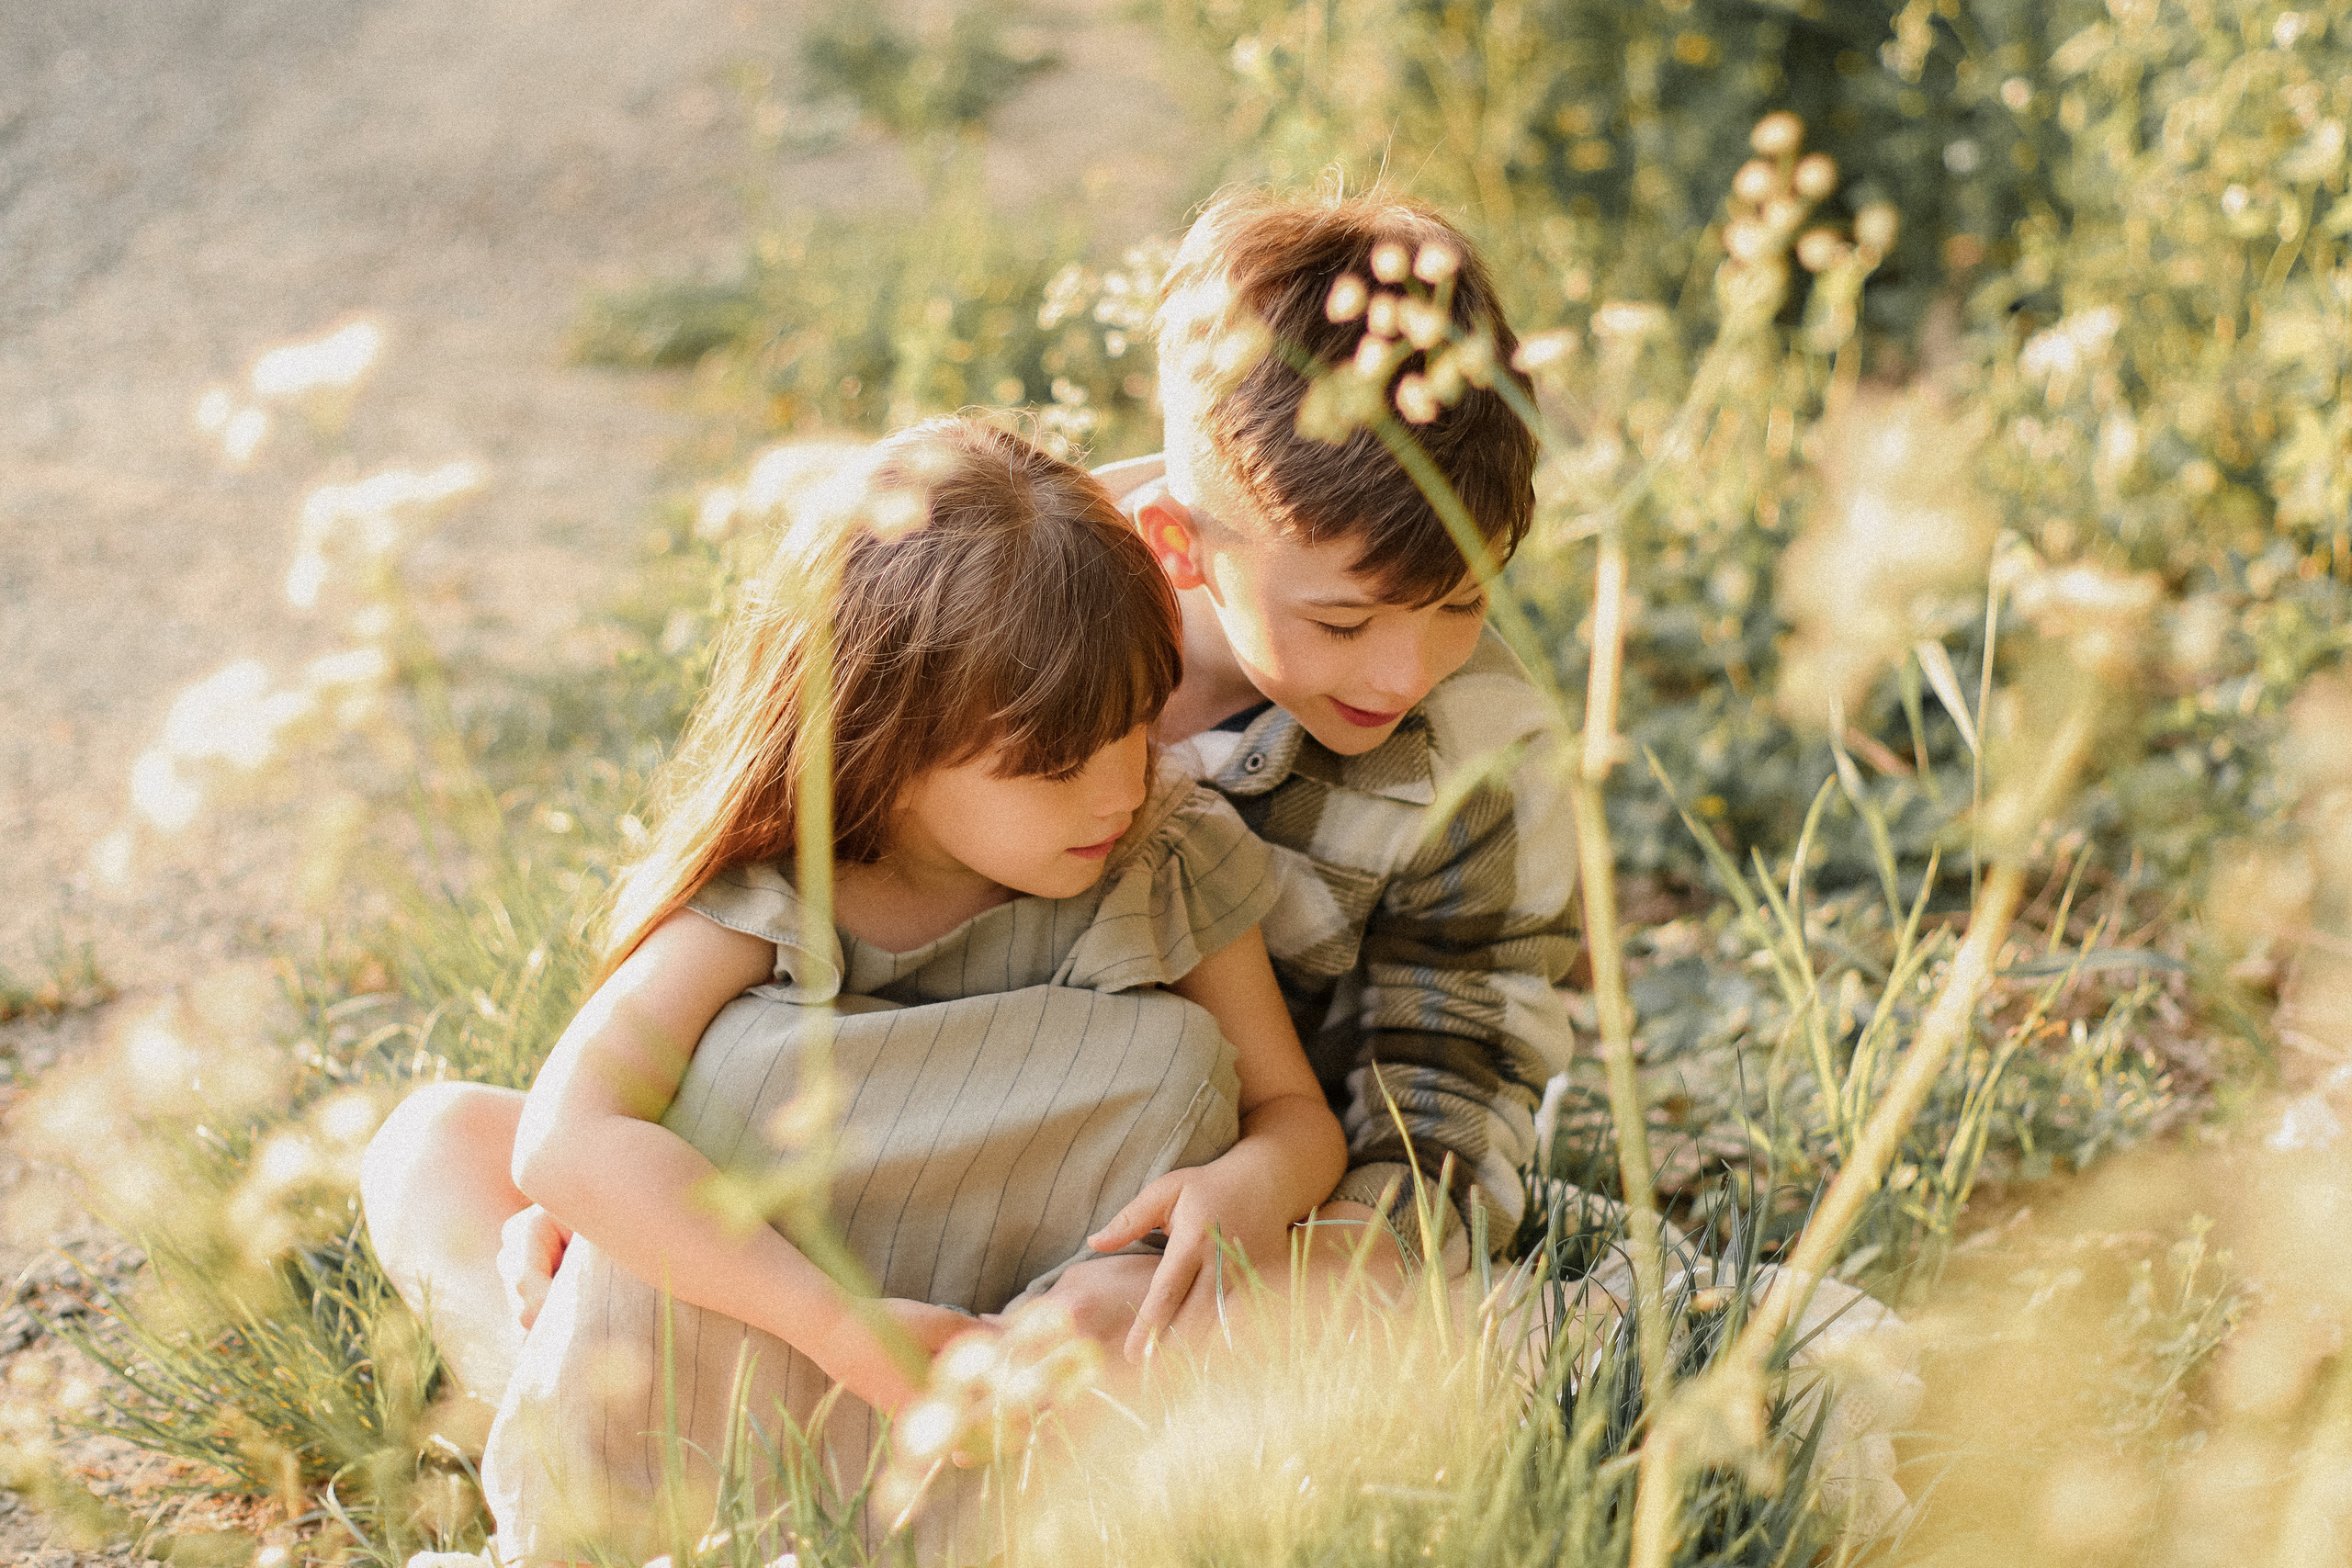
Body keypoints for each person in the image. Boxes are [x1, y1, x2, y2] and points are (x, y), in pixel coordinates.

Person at [364, 417, 1346, 1563]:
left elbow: (1293, 1115)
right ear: (887, 743)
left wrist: (1246, 1183)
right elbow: (563, 1139)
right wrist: (837, 1328)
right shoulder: (786, 889)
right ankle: (565, 1412)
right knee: (432, 1141)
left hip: (1011, 1335)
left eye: (1137, 727)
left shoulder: (1166, 857)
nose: (1118, 789)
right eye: (1051, 766)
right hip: (784, 1304)